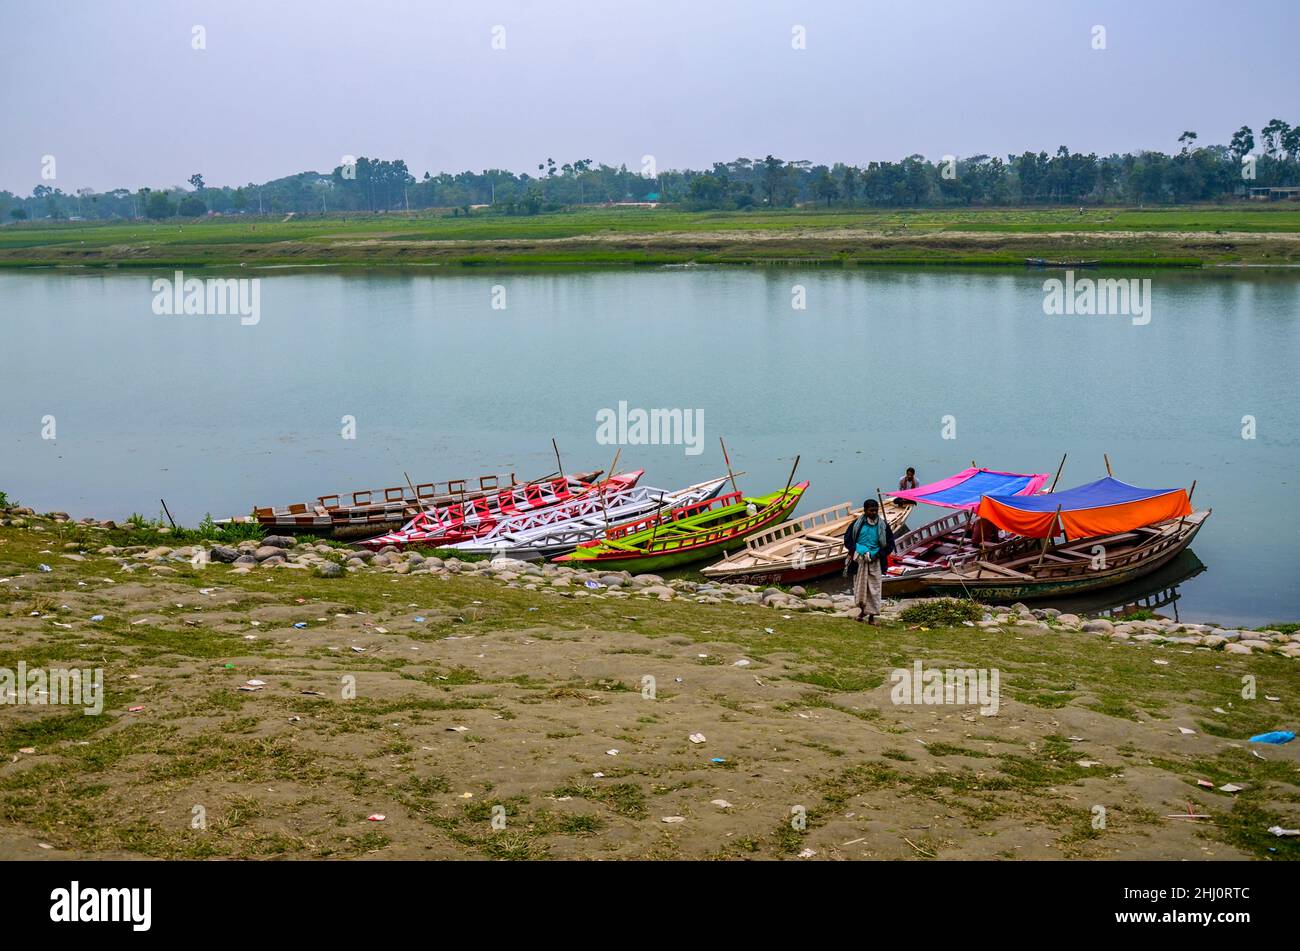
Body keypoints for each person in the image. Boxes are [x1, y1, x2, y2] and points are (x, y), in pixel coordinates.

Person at [842, 498, 896, 625]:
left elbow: (889, 544)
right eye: (871, 510)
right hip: (860, 561)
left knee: (874, 589)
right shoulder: (856, 524)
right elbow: (848, 541)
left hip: (876, 561)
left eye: (876, 510)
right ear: (865, 511)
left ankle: (872, 616)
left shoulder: (883, 526)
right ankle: (862, 612)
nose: (874, 513)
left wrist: (878, 554)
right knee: (861, 588)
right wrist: (859, 550)